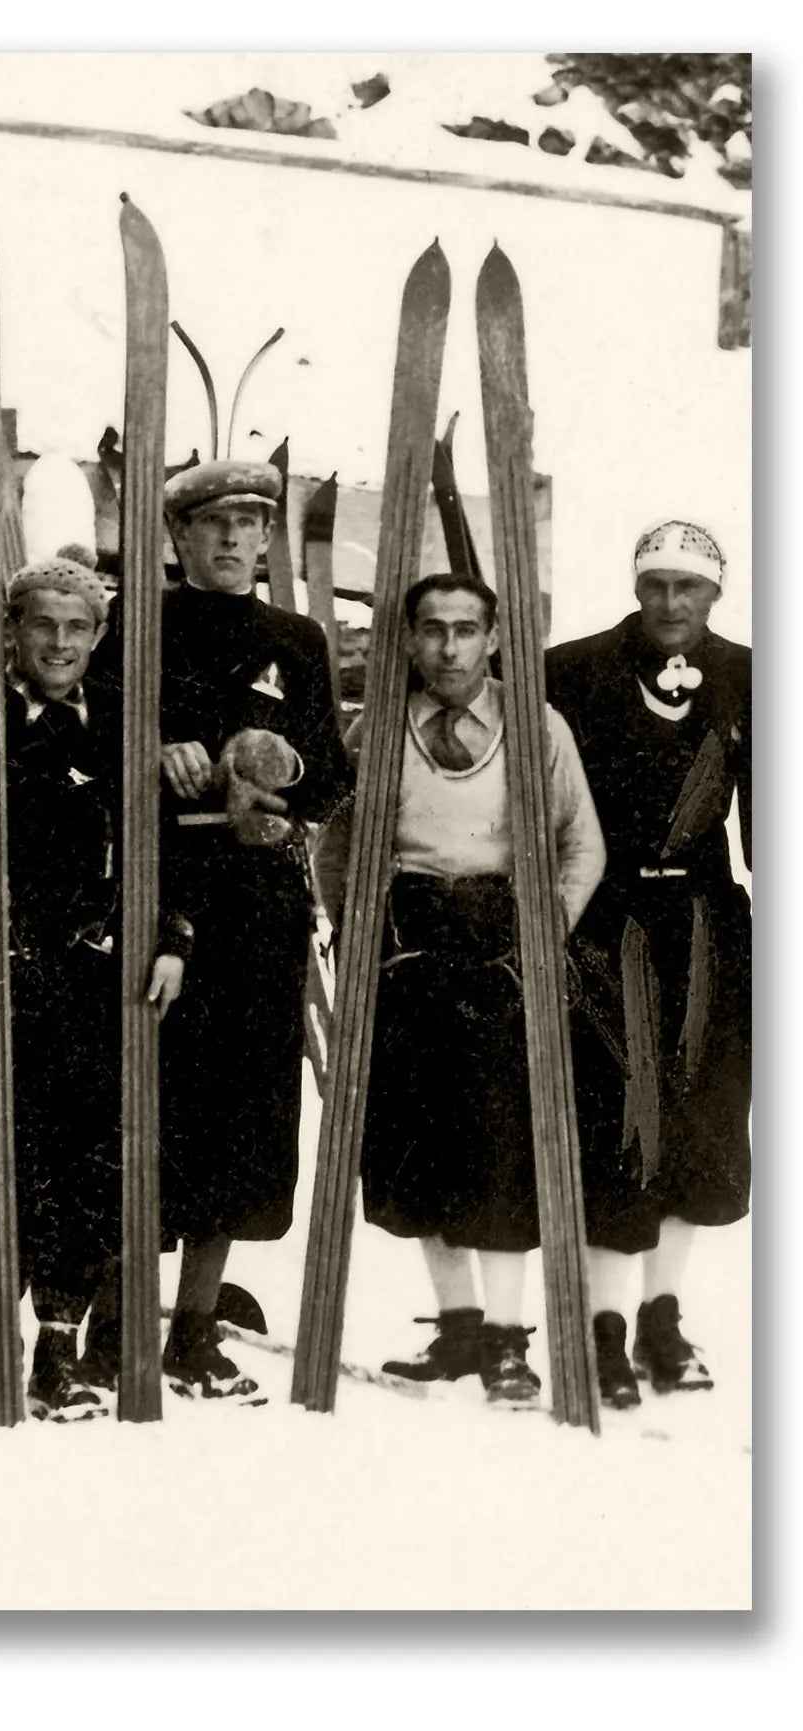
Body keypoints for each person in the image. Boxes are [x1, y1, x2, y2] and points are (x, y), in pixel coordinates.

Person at [86, 458, 351, 1402]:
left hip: (260, 901)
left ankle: (194, 1329)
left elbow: (331, 778)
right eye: (215, 525)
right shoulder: (129, 628)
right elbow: (84, 745)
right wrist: (147, 751)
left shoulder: (296, 638)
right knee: (149, 1101)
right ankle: (114, 1324)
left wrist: (278, 774)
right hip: (160, 884)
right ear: (177, 537)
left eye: (252, 524)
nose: (235, 540)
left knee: (244, 1112)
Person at [322, 573, 606, 1406]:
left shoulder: (535, 725)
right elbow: (337, 841)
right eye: (433, 630)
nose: (449, 647)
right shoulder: (379, 728)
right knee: (417, 1140)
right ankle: (456, 1328)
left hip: (498, 950)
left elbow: (580, 844)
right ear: (407, 640)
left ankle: (509, 1342)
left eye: (466, 630)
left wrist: (540, 935)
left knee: (499, 1138)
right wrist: (355, 931)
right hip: (409, 949)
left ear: (492, 638)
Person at [0, 546, 190, 1420]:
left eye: (79, 627)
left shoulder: (119, 721)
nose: (61, 642)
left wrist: (173, 937)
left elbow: (165, 846)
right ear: (11, 631)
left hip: (89, 976)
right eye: (44, 625)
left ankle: (59, 1346)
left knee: (82, 1160)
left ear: (100, 636)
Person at [547, 520, 749, 1402]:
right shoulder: (571, 669)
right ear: (636, 587)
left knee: (700, 1118)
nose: (672, 602)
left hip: (707, 924)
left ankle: (664, 1320)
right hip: (606, 919)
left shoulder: (753, 674)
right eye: (658, 584)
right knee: (616, 1119)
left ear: (716, 592)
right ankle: (602, 1325)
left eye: (690, 587)